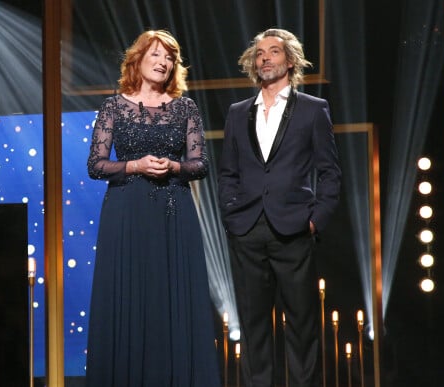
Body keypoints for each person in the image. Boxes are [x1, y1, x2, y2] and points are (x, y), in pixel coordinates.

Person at [85, 30, 220, 386]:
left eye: (170, 57)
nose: (163, 62)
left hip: (174, 210)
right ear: (138, 59)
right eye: (156, 55)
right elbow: (96, 165)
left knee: (172, 299)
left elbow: (200, 164)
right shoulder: (113, 106)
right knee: (129, 299)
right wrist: (134, 166)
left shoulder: (185, 107)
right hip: (126, 212)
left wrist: (174, 167)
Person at [218, 28, 341, 387]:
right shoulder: (238, 112)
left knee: (302, 327)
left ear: (289, 61)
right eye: (259, 54)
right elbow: (228, 171)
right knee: (253, 326)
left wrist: (315, 221)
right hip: (247, 230)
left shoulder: (313, 109)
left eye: (273, 52)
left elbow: (329, 173)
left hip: (295, 230)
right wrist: (231, 214)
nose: (265, 58)